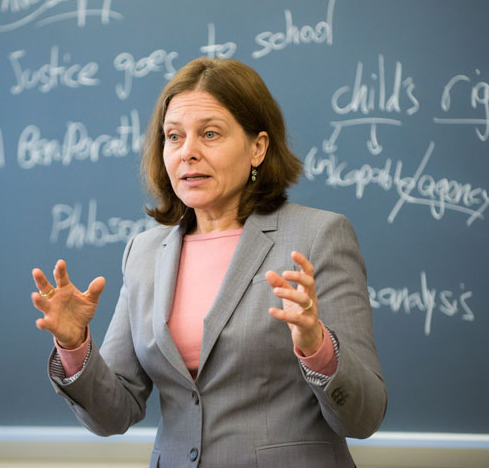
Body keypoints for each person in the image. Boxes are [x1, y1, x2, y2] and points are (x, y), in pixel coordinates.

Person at [31, 57, 386, 467]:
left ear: (258, 147)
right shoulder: (144, 253)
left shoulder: (318, 237)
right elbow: (115, 412)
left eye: (210, 134)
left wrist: (317, 347)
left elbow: (364, 417)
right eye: (174, 137)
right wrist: (74, 346)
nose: (188, 153)